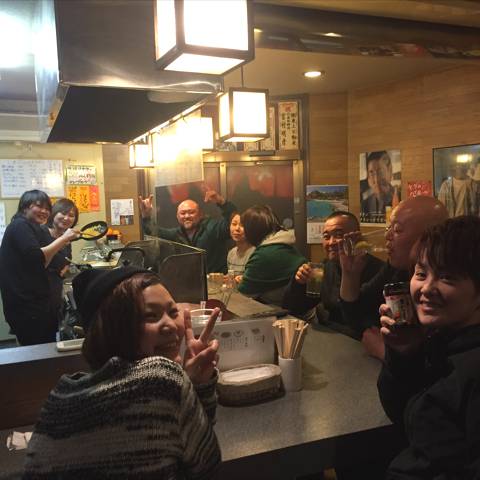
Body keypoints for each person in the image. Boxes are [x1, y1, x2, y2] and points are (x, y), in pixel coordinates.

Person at [24, 266, 221, 478]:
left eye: (173, 313)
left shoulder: (59, 396)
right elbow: (207, 463)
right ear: (114, 328)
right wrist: (197, 389)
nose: (171, 325)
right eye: (151, 316)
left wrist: (192, 388)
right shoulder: (162, 378)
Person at [378, 216, 480, 478]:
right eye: (421, 273)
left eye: (447, 277)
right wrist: (404, 354)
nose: (426, 288)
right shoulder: (442, 342)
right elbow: (403, 416)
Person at [339, 196, 448, 360]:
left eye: (397, 229)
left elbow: (448, 361)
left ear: (430, 235)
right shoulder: (396, 270)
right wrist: (350, 274)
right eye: (388, 228)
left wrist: (385, 353)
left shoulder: (448, 286)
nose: (387, 235)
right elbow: (355, 316)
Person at [282, 211, 384, 337]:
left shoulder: (378, 271)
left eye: (338, 235)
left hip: (360, 340)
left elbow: (365, 320)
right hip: (327, 337)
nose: (331, 242)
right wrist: (299, 283)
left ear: (357, 236)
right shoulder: (324, 268)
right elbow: (293, 307)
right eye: (326, 236)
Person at [0, 190, 79, 345]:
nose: (44, 211)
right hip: (26, 305)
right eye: (39, 206)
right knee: (36, 348)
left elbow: (43, 263)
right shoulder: (20, 225)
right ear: (25, 207)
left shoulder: (30, 227)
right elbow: (38, 259)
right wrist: (63, 239)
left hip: (39, 303)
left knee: (44, 346)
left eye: (47, 208)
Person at [138, 190, 236, 273]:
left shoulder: (212, 227)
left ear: (200, 214)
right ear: (177, 217)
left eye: (191, 212)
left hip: (215, 283)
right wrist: (146, 216)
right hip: (189, 283)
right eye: (183, 213)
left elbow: (232, 222)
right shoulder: (176, 234)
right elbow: (154, 233)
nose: (187, 216)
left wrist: (222, 202)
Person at [238, 205, 306, 306]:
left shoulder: (264, 254)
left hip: (288, 313)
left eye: (244, 227)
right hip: (302, 310)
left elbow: (244, 294)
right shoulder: (284, 244)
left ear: (252, 230)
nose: (243, 231)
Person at [40, 198, 79, 327]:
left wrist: (64, 269)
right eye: (63, 213)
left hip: (55, 289)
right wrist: (64, 239)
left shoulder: (66, 238)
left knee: (52, 328)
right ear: (53, 213)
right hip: (38, 292)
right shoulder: (42, 232)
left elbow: (67, 259)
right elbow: (39, 261)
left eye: (71, 215)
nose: (66, 218)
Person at [360, 151, 400, 223]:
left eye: (380, 172)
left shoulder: (399, 199)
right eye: (371, 172)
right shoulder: (365, 203)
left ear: (390, 171)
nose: (376, 180)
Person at [227, 213, 255, 281]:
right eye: (234, 224)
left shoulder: (255, 252)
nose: (237, 228)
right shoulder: (231, 253)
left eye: (242, 225)